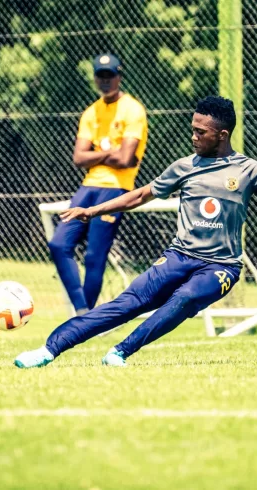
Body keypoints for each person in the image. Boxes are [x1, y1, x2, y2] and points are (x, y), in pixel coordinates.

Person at [15, 96, 257, 368]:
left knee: (184, 298)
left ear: (222, 134)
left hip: (221, 267)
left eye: (201, 132)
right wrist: (90, 210)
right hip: (178, 256)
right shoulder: (184, 167)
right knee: (126, 303)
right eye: (193, 130)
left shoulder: (248, 170)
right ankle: (48, 350)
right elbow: (141, 195)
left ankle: (119, 352)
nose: (194, 136)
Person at [48, 53, 148, 316]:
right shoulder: (91, 113)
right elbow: (78, 158)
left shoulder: (133, 110)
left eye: (110, 75)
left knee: (94, 256)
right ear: (95, 78)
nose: (105, 81)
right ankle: (83, 312)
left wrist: (99, 155)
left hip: (116, 188)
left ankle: (86, 318)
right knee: (59, 244)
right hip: (89, 185)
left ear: (119, 76)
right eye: (100, 76)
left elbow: (126, 159)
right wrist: (109, 153)